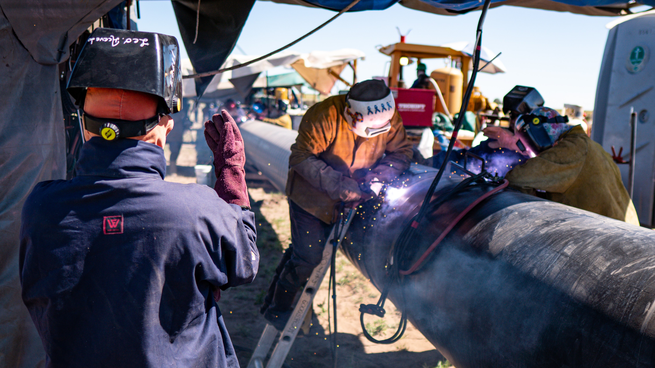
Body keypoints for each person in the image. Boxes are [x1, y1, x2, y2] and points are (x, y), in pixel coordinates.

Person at [19, 28, 259, 368]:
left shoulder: (40, 207)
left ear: (84, 127)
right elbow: (245, 263)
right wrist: (231, 176)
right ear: (164, 129)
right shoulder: (197, 211)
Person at [259, 79, 413, 330]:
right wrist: (339, 185)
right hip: (311, 198)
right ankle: (278, 310)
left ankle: (273, 302)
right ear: (351, 113)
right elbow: (300, 157)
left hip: (357, 196)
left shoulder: (389, 116)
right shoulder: (324, 115)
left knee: (302, 254)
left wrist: (380, 177)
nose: (376, 133)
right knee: (308, 256)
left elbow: (402, 151)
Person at [484, 106, 640, 225]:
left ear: (539, 133)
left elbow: (517, 178)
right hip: (629, 232)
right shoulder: (586, 145)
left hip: (615, 241)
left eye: (528, 142)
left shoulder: (571, 150)